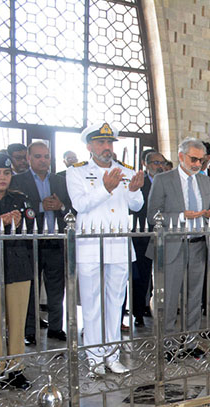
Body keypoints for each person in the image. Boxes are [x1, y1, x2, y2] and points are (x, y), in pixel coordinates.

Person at [67, 123, 145, 376]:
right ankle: (95, 358)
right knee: (92, 304)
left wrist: (133, 190)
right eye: (101, 143)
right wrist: (105, 188)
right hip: (91, 247)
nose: (106, 148)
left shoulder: (125, 170)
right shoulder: (76, 172)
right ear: (89, 146)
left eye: (109, 143)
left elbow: (136, 205)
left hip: (119, 247)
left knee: (115, 303)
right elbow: (80, 205)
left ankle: (112, 355)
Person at [146, 138, 210, 359]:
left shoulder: (205, 182)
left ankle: (190, 342)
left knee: (194, 298)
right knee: (168, 299)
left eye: (201, 160)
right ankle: (165, 345)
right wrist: (180, 216)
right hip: (172, 246)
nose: (197, 164)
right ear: (180, 157)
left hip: (198, 246)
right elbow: (152, 216)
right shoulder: (163, 180)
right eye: (193, 159)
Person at [10, 141, 72, 345]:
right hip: (30, 243)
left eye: (46, 156)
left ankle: (56, 327)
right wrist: (39, 206)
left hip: (55, 242)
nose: (43, 160)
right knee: (30, 289)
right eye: (37, 156)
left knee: (56, 288)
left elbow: (72, 210)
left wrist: (60, 206)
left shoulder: (60, 181)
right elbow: (15, 209)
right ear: (29, 159)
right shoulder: (17, 181)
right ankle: (29, 330)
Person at [0, 153, 33, 390]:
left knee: (17, 321)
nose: (2, 178)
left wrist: (18, 223)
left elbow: (34, 229)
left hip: (17, 266)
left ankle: (16, 369)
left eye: (6, 173)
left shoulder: (19, 199)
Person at [129, 150, 166, 328]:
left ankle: (158, 309)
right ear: (146, 163)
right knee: (141, 276)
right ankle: (138, 312)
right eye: (155, 163)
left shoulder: (166, 181)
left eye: (161, 163)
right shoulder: (140, 180)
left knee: (161, 275)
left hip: (162, 234)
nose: (159, 166)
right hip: (142, 234)